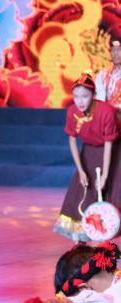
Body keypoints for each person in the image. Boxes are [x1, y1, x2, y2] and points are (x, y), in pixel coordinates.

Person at [53, 73, 121, 242]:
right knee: (83, 188)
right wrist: (81, 170)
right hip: (89, 151)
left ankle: (108, 235)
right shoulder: (72, 112)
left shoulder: (106, 112)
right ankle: (81, 238)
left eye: (85, 96)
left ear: (94, 95)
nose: (80, 101)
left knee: (111, 189)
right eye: (76, 96)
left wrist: (105, 175)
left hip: (113, 150)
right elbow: (72, 140)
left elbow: (109, 144)